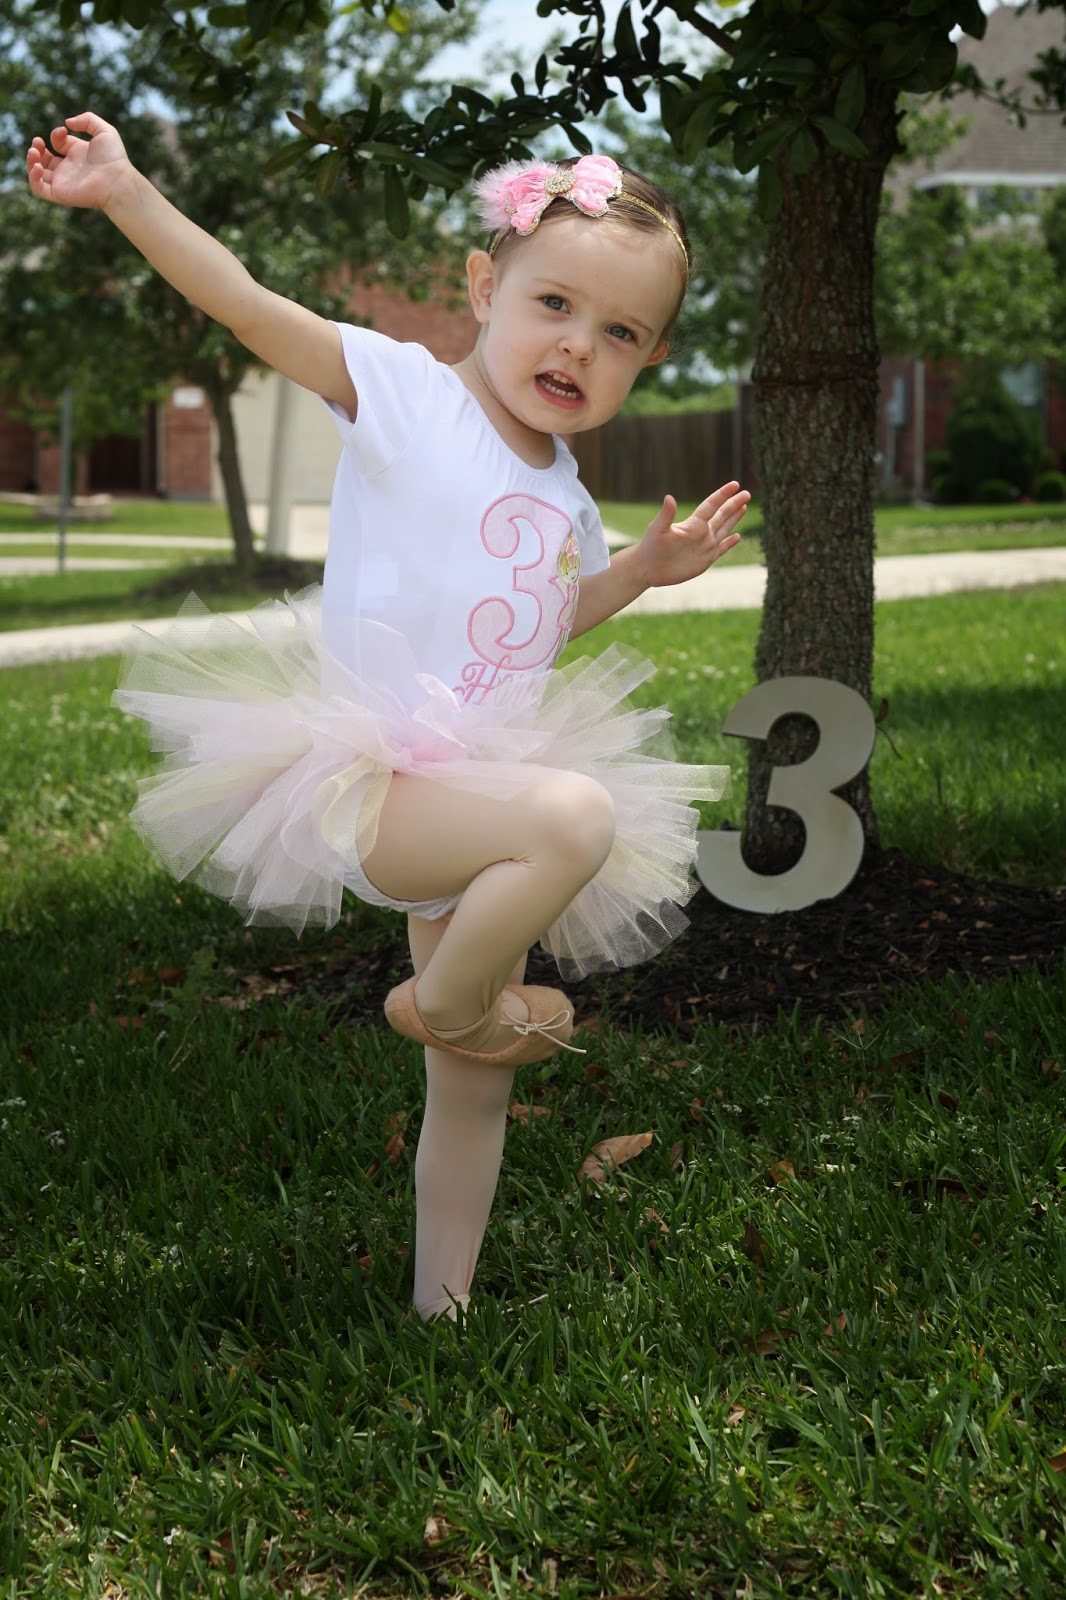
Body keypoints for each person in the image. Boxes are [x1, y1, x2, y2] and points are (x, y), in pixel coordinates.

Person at [27, 117, 748, 1322]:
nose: (578, 344)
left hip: (479, 795)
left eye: (619, 333)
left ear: (650, 357)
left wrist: (637, 570)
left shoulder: (565, 491)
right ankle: (448, 1002)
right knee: (575, 822)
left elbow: (540, 622)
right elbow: (245, 305)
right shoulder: (405, 393)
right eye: (554, 304)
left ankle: (440, 1307)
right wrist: (126, 193)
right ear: (483, 287)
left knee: (474, 1088)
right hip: (373, 784)